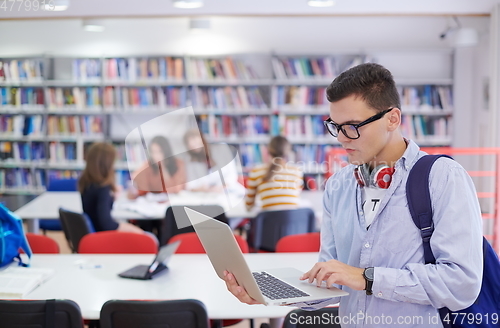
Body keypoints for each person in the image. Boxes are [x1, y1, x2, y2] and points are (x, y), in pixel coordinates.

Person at [223, 63, 483, 327]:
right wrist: (273, 295)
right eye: (336, 126)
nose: (342, 138)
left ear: (392, 119)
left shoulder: (444, 177)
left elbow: (462, 284)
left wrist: (367, 278)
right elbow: (335, 279)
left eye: (353, 126)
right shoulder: (339, 185)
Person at [79, 142, 143, 233]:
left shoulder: (87, 183)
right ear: (107, 165)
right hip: (104, 237)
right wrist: (136, 230)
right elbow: (107, 225)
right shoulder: (103, 189)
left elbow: (98, 210)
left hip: (95, 234)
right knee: (148, 237)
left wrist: (112, 198)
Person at [244, 135, 303, 211]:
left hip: (268, 221)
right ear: (288, 151)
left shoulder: (257, 171)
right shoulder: (296, 171)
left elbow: (248, 206)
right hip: (293, 221)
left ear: (268, 151)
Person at [183, 128, 244, 195]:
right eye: (190, 144)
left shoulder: (221, 149)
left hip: (228, 190)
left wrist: (221, 187)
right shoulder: (191, 161)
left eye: (195, 141)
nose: (194, 145)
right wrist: (206, 189)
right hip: (206, 194)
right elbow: (190, 186)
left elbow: (232, 175)